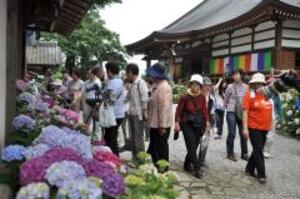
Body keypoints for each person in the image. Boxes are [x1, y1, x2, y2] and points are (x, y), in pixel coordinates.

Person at [175, 74, 209, 178]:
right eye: (193, 84)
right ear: (190, 85)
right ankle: (197, 168)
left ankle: (186, 165)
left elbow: (204, 111)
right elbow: (178, 111)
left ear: (200, 86)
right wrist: (176, 123)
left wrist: (207, 122)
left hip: (198, 124)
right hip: (186, 124)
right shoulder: (184, 97)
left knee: (195, 145)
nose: (195, 87)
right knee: (191, 145)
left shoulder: (202, 97)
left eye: (197, 85)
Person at [242, 73, 273, 184]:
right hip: (253, 126)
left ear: (263, 84)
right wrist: (245, 128)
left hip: (265, 127)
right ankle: (261, 174)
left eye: (260, 83)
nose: (258, 85)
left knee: (257, 149)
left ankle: (249, 169)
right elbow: (245, 112)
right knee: (259, 149)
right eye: (256, 83)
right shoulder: (249, 95)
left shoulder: (267, 94)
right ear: (253, 84)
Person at [146, 63, 173, 171]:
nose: (151, 76)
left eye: (153, 75)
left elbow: (164, 108)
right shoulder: (157, 86)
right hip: (155, 123)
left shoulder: (164, 87)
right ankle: (158, 169)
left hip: (160, 125)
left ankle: (163, 170)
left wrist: (162, 125)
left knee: (160, 149)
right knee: (155, 148)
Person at [126, 63, 149, 160]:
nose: (127, 75)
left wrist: (144, 113)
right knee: (133, 137)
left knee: (138, 137)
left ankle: (141, 160)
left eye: (127, 72)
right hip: (131, 114)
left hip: (138, 115)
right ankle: (134, 157)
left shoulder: (140, 83)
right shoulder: (132, 84)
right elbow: (127, 98)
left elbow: (144, 99)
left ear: (131, 72)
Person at [224, 70, 249, 161]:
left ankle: (244, 153)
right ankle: (230, 153)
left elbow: (247, 99)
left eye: (237, 74)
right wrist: (227, 108)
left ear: (241, 76)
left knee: (243, 133)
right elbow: (226, 99)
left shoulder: (246, 87)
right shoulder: (230, 87)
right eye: (234, 75)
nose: (236, 76)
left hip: (242, 111)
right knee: (232, 132)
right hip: (231, 110)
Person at [102, 61, 125, 156]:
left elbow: (111, 99)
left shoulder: (113, 83)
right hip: (119, 114)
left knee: (110, 139)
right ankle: (113, 159)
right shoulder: (119, 81)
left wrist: (104, 97)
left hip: (113, 115)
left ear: (109, 71)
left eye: (106, 70)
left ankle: (113, 159)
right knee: (111, 137)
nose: (106, 73)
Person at [199, 77, 215, 168]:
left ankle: (201, 161)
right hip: (197, 122)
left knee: (205, 142)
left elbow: (212, 111)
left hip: (207, 123)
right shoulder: (198, 95)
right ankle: (191, 160)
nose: (207, 87)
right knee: (195, 143)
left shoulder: (211, 97)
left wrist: (211, 123)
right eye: (205, 85)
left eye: (209, 85)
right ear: (201, 86)